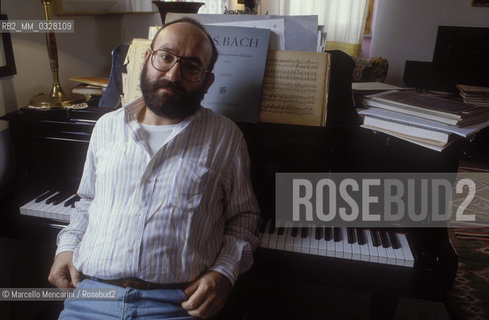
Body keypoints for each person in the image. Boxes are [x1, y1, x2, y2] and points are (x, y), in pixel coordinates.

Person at [48, 17, 260, 320]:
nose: (174, 74)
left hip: (176, 303)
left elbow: (244, 217)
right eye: (166, 56)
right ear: (147, 58)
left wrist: (224, 272)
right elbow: (88, 201)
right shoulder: (106, 127)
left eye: (191, 66)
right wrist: (66, 248)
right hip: (91, 295)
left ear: (207, 80)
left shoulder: (226, 137)